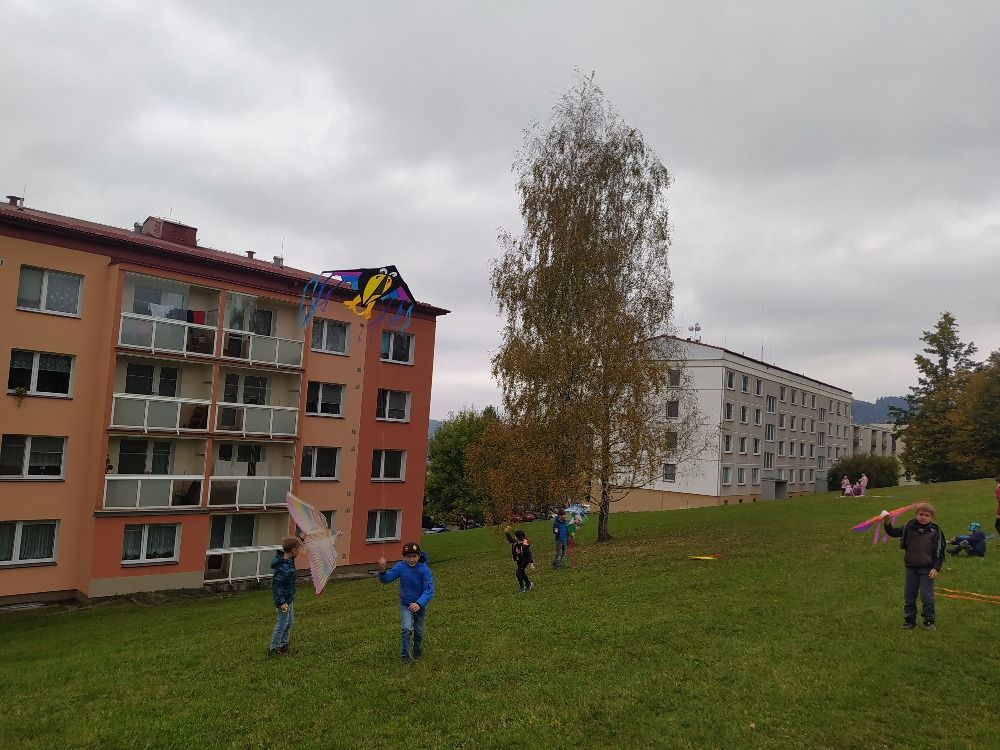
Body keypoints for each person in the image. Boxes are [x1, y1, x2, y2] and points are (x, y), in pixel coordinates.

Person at [882, 502, 946, 631]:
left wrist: (936, 568)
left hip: (927, 569)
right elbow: (893, 532)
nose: (923, 517)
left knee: (926, 596)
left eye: (927, 515)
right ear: (916, 514)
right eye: (921, 514)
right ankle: (909, 620)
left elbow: (940, 552)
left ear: (932, 517)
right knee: (909, 595)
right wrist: (887, 522)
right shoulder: (909, 527)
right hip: (911, 567)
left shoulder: (935, 531)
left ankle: (929, 620)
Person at [377, 541, 435, 664]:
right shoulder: (400, 567)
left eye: (414, 556)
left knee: (418, 631)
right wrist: (382, 571)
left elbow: (429, 591)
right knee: (406, 629)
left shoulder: (424, 570)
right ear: (404, 556)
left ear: (419, 556)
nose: (411, 559)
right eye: (408, 556)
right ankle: (406, 658)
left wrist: (419, 603)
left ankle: (417, 651)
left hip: (419, 606)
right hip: (406, 605)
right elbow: (386, 579)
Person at [268, 535, 301, 656]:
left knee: (289, 622)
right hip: (283, 601)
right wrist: (281, 602)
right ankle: (274, 648)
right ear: (293, 550)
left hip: (289, 598)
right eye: (298, 549)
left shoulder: (289, 560)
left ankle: (283, 645)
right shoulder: (282, 566)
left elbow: (292, 548)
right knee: (282, 623)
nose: (300, 551)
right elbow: (277, 587)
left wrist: (301, 539)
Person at [504, 526, 534, 592]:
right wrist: (507, 533)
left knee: (518, 573)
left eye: (515, 536)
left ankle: (522, 587)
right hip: (519, 560)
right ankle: (528, 583)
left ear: (518, 537)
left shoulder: (525, 545)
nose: (515, 537)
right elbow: (510, 540)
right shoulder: (516, 543)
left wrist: (531, 563)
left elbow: (529, 555)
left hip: (525, 560)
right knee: (522, 572)